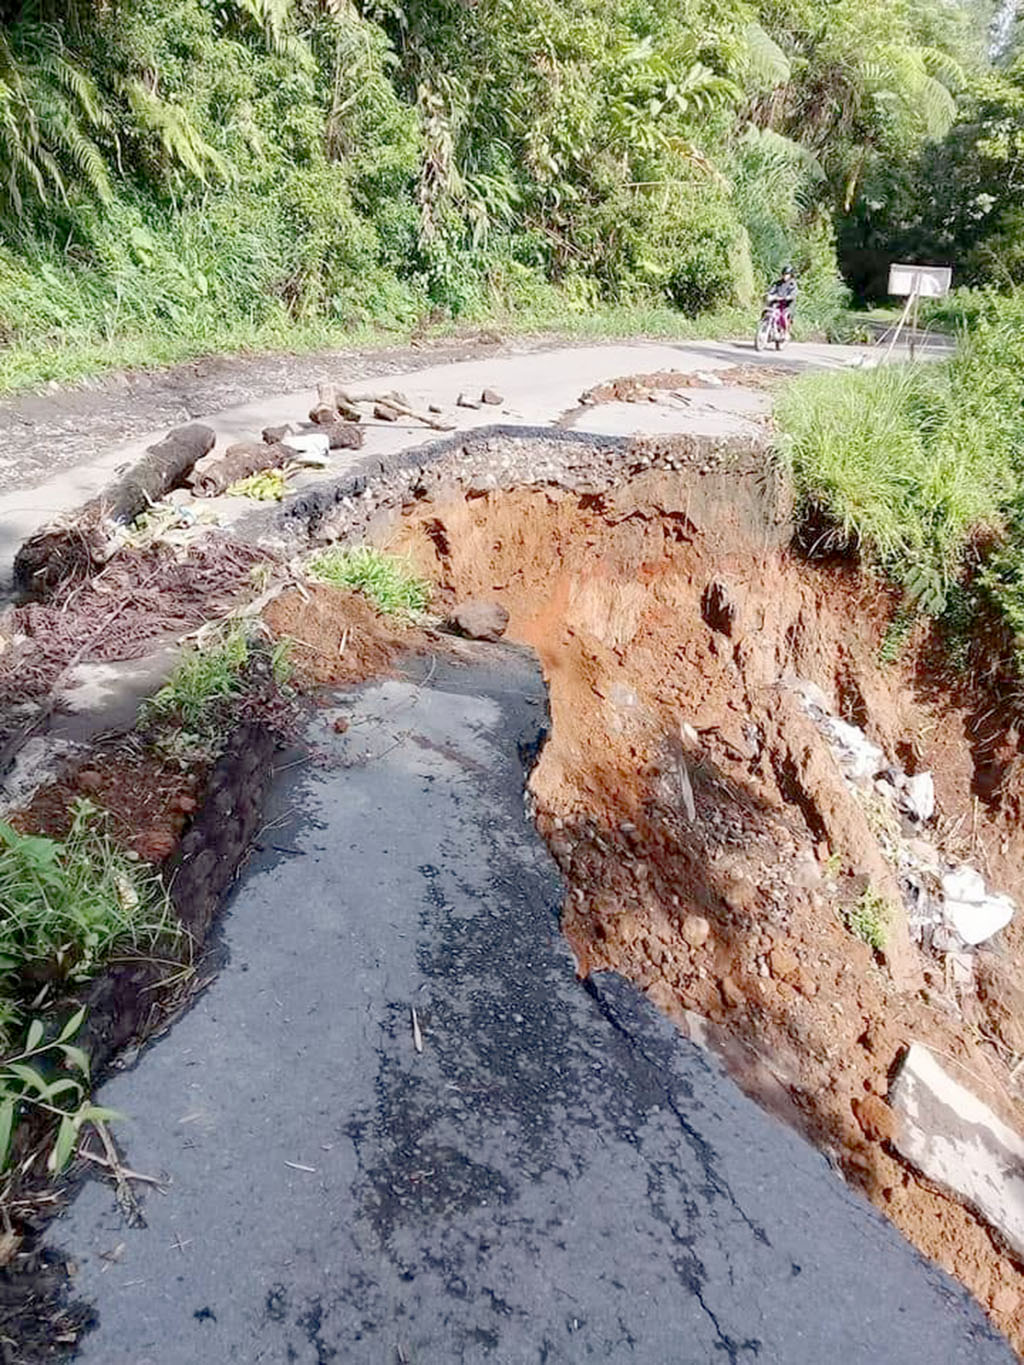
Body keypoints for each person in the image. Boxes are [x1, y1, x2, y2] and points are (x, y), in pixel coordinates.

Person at [766, 265, 798, 334]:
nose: (785, 276)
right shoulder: (778, 283)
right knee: (767, 312)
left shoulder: (792, 284)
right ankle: (766, 327)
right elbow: (772, 290)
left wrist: (788, 297)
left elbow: (793, 294)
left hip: (787, 305)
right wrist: (770, 295)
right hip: (776, 303)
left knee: (784, 316)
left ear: (790, 275)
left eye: (787, 274)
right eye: (784, 274)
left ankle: (786, 332)